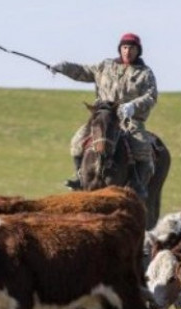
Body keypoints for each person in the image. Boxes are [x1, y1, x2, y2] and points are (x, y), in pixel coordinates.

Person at [52, 32, 158, 199]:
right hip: (103, 115)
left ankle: (138, 184)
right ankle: (80, 178)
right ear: (120, 49)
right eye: (124, 47)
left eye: (132, 48)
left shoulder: (145, 73)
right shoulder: (105, 66)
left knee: (143, 148)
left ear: (138, 50)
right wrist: (63, 68)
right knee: (77, 142)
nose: (127, 51)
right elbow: (83, 71)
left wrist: (133, 106)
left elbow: (151, 96)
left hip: (128, 118)